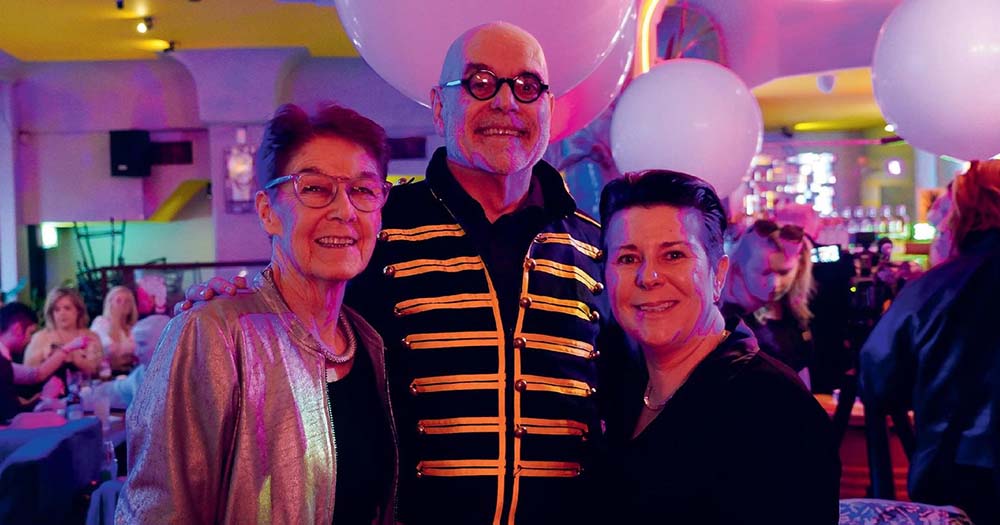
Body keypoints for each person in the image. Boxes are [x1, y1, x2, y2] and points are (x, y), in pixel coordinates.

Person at [184, 22, 609, 525]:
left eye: (526, 86)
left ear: (548, 107)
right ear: (438, 105)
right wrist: (242, 299)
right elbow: (302, 313)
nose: (505, 103)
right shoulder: (378, 225)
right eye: (479, 82)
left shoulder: (597, 246)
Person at [117, 103, 399, 524]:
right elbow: (156, 513)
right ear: (268, 211)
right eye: (316, 188)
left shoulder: (371, 342)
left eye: (363, 190)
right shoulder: (212, 333)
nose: (345, 211)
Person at [600, 170, 840, 524]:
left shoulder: (773, 407)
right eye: (628, 258)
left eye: (674, 256)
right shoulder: (614, 384)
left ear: (718, 274)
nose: (648, 277)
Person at [860, 160, 1000, 525]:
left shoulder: (937, 288)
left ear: (961, 221)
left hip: (964, 474)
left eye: (938, 230)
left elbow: (877, 381)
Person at [721, 218, 816, 375]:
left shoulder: (793, 308)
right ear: (739, 267)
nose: (774, 284)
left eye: (784, 272)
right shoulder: (726, 323)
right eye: (763, 272)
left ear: (800, 267)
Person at [23, 287, 103, 379]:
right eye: (57, 310)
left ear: (78, 311)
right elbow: (28, 374)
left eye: (67, 308)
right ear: (51, 314)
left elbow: (98, 371)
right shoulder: (40, 337)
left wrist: (75, 359)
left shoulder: (91, 336)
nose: (62, 313)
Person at [90, 285, 138, 373]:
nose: (123, 304)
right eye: (119, 300)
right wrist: (116, 319)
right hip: (108, 374)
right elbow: (105, 350)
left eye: (127, 301)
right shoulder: (100, 322)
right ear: (110, 303)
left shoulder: (134, 327)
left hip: (131, 372)